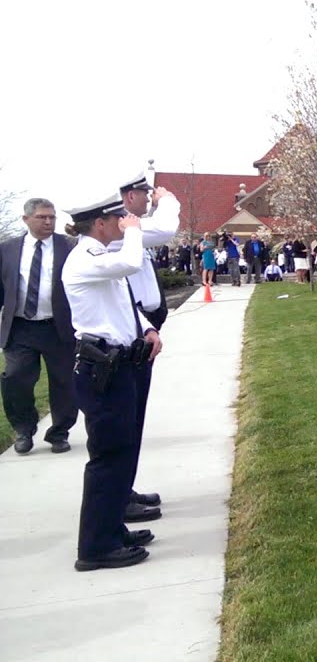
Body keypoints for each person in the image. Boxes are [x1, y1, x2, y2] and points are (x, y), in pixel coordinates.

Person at [62, 194, 163, 571]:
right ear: (100, 224)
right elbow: (130, 261)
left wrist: (148, 328)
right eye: (117, 218)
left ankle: (112, 529)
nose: (124, 222)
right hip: (100, 369)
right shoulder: (87, 259)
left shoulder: (100, 259)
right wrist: (135, 231)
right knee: (108, 458)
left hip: (117, 364)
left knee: (121, 452)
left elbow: (124, 305)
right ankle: (96, 547)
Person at [114, 174, 178, 522]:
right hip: (130, 336)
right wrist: (167, 199)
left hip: (143, 329)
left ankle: (125, 488)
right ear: (127, 198)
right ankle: (118, 496)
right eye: (144, 193)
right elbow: (166, 229)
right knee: (126, 418)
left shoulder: (130, 231)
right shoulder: (122, 233)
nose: (149, 197)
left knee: (133, 416)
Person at [1, 198, 77, 455]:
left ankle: (60, 432)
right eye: (42, 217)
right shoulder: (8, 249)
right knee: (14, 378)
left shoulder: (68, 246)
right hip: (21, 327)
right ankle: (23, 429)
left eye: (52, 217)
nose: (48, 222)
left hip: (59, 326)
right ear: (26, 219)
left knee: (65, 381)